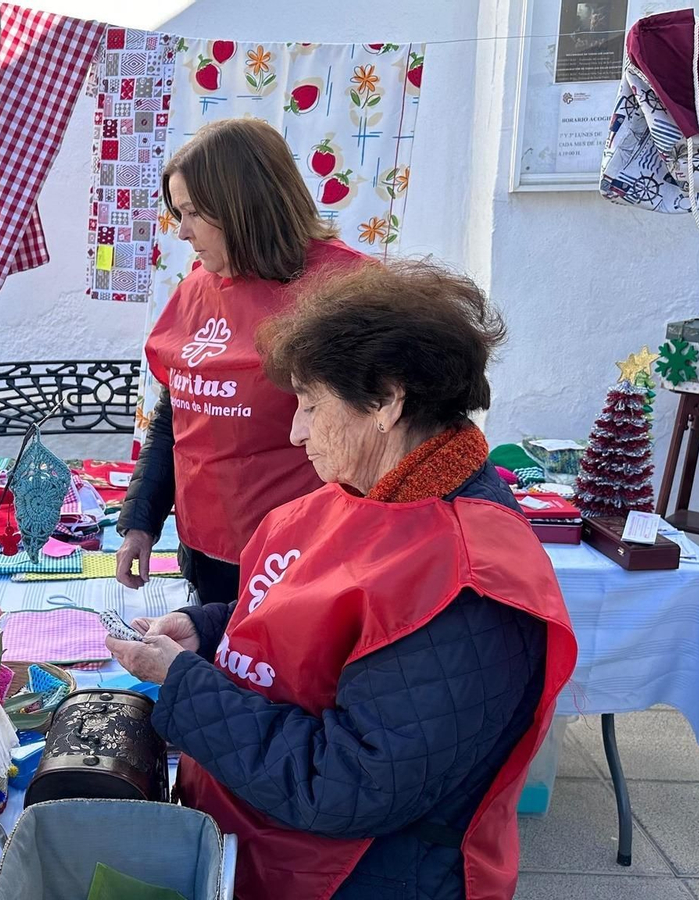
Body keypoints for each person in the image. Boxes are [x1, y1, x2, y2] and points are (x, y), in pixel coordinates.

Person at [107, 261, 579, 900]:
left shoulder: (469, 579)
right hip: (262, 848)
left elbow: (349, 782)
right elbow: (294, 610)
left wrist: (183, 685)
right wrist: (206, 628)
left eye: (309, 405)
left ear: (386, 400)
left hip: (360, 878)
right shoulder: (363, 490)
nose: (296, 430)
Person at [116, 117, 368, 605]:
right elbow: (175, 420)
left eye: (192, 213)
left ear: (242, 207)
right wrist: (140, 521)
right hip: (206, 554)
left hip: (302, 559)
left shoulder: (343, 289)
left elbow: (383, 434)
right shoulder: (195, 289)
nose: (182, 231)